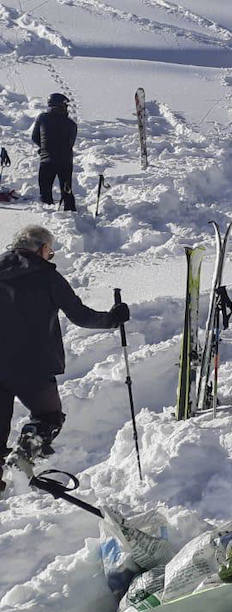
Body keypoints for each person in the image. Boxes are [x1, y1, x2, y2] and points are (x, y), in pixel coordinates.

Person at [0, 226, 128, 491]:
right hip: (33, 366)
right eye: (50, 250)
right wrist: (113, 318)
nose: (51, 256)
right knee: (49, 417)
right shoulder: (47, 276)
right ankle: (23, 455)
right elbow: (79, 315)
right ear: (39, 248)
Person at [31, 93, 78, 211]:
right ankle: (70, 213)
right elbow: (70, 143)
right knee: (67, 192)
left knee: (45, 192)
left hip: (47, 160)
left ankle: (47, 216)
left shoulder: (42, 118)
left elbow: (35, 137)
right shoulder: (71, 124)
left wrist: (44, 148)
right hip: (65, 162)